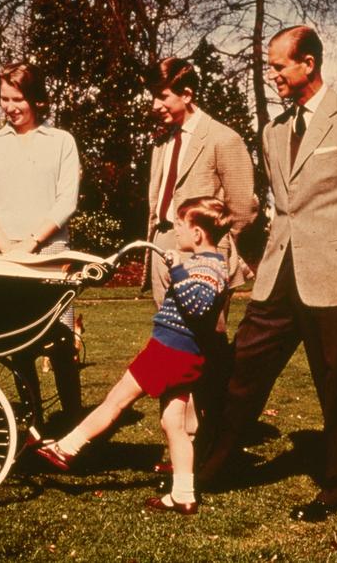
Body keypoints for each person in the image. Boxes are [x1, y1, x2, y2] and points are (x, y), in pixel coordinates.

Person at [198, 25, 337, 522]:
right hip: (278, 274)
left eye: (279, 66)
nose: (273, 76)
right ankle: (210, 470)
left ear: (308, 63)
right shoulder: (272, 131)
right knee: (242, 366)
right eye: (270, 67)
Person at [35, 197, 231, 516]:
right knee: (174, 424)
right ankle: (183, 494)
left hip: (169, 352)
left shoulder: (207, 266)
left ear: (197, 233)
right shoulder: (208, 262)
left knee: (114, 402)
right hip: (184, 355)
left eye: (180, 225)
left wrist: (178, 269)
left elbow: (198, 305)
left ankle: (65, 447)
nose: (175, 231)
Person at [144, 57, 257, 464]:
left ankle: (213, 439)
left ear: (187, 94)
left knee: (207, 344)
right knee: (171, 343)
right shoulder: (161, 141)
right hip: (163, 250)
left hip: (203, 257)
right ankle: (179, 440)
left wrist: (213, 253)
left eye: (163, 95)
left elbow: (242, 207)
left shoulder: (222, 138)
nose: (155, 103)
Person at [0, 62, 82, 426]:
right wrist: (8, 250)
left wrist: (32, 243)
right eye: (4, 98)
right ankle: (33, 422)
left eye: (17, 98)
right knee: (17, 345)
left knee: (62, 341)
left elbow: (66, 201)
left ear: (35, 98)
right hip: (3, 257)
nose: (10, 106)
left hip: (50, 254)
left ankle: (72, 420)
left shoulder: (61, 141)